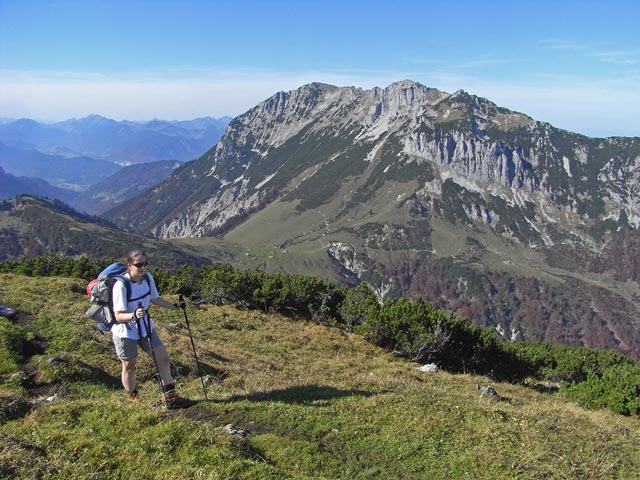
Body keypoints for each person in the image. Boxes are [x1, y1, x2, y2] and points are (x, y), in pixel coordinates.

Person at [111, 249, 191, 409]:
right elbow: (118, 316)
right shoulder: (121, 285)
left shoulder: (148, 278)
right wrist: (133, 315)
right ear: (129, 266)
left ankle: (170, 397)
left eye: (145, 264)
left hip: (145, 327)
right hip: (125, 331)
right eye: (138, 264)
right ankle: (133, 399)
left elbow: (155, 299)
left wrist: (175, 307)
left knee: (163, 358)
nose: (142, 267)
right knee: (129, 366)